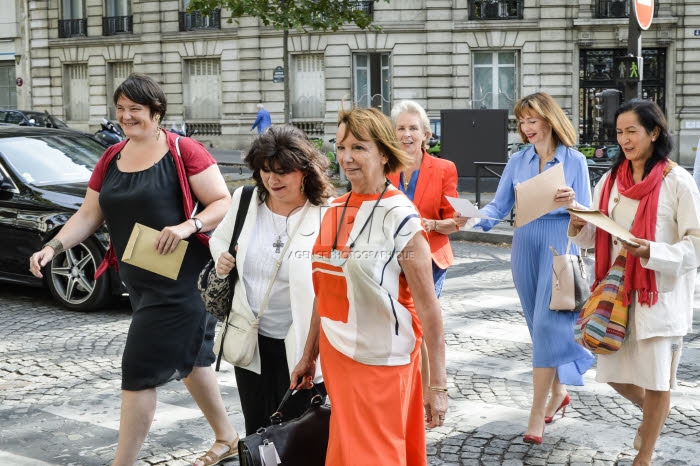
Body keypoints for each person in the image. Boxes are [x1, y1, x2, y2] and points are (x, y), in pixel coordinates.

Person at [29, 73, 238, 466]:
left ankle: (121, 463)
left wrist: (185, 226)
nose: (126, 116)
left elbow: (222, 203)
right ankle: (227, 437)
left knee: (138, 368)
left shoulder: (184, 149)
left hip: (184, 283)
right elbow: (90, 214)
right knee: (192, 361)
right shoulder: (111, 156)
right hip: (139, 282)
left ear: (156, 111)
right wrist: (53, 247)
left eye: (135, 109)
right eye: (121, 109)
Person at [290, 105, 448, 465]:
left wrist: (437, 386)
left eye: (358, 147)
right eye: (341, 146)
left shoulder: (401, 217)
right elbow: (325, 288)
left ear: (382, 151)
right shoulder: (333, 207)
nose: (346, 157)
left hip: (383, 360)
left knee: (374, 455)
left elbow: (428, 309)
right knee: (348, 451)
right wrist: (308, 355)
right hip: (337, 355)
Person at [456, 92, 595, 444]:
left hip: (557, 245)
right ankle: (558, 391)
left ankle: (537, 414)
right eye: (522, 121)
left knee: (550, 324)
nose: (526, 127)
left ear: (549, 120)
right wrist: (470, 217)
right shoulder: (517, 161)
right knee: (538, 327)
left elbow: (588, 215)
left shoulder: (574, 160)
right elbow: (498, 206)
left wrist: (573, 202)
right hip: (523, 245)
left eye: (532, 120)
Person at [570, 99, 700, 466]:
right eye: (619, 133)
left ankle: (643, 456)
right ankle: (654, 415)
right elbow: (593, 236)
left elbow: (696, 243)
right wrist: (578, 224)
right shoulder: (610, 180)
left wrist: (651, 251)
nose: (624, 140)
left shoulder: (678, 181)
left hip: (659, 293)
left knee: (659, 380)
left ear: (654, 132)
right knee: (610, 371)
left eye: (632, 131)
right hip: (617, 293)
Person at [209, 125, 335, 435]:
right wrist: (223, 258)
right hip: (250, 338)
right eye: (265, 170)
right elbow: (220, 239)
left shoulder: (327, 213)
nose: (272, 179)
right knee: (257, 427)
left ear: (305, 171)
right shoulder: (246, 200)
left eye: (282, 171)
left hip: (302, 343)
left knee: (298, 431)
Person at [389, 100, 459, 298]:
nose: (407, 134)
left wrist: (432, 224)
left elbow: (455, 221)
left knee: (422, 322)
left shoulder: (444, 169)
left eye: (413, 128)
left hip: (430, 259)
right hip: (392, 259)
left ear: (425, 134)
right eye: (401, 128)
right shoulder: (385, 168)